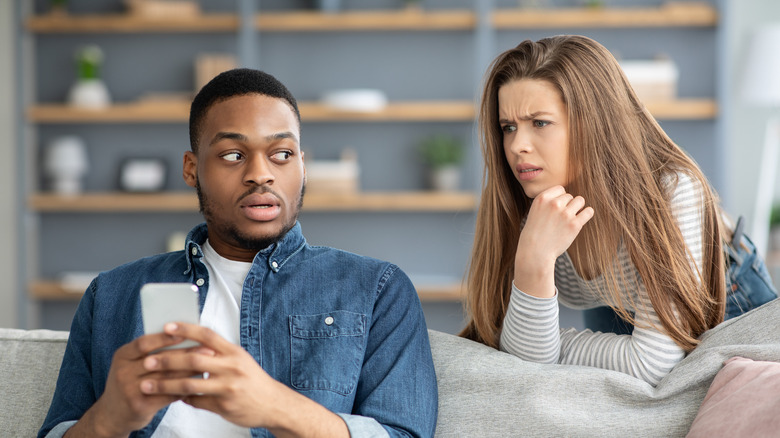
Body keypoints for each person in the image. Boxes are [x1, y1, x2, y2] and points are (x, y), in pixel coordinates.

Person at [39, 68, 438, 437]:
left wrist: (276, 406)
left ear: (303, 164)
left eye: (281, 154)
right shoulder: (110, 295)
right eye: (233, 155)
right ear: (192, 169)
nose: (260, 173)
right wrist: (110, 416)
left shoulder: (377, 290)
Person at [459, 35, 775, 387]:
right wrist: (534, 259)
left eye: (540, 123)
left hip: (726, 305)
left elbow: (651, 363)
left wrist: (551, 348)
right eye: (508, 127)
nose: (517, 145)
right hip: (618, 308)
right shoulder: (524, 203)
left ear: (594, 122)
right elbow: (521, 363)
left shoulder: (673, 191)